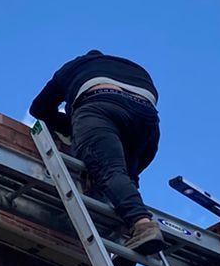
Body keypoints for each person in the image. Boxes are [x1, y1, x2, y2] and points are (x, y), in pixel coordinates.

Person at [30, 51, 163, 254]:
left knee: (108, 172)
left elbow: (39, 109)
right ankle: (124, 240)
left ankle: (142, 225)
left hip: (100, 105)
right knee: (124, 179)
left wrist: (72, 128)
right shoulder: (131, 67)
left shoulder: (73, 67)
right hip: (147, 121)